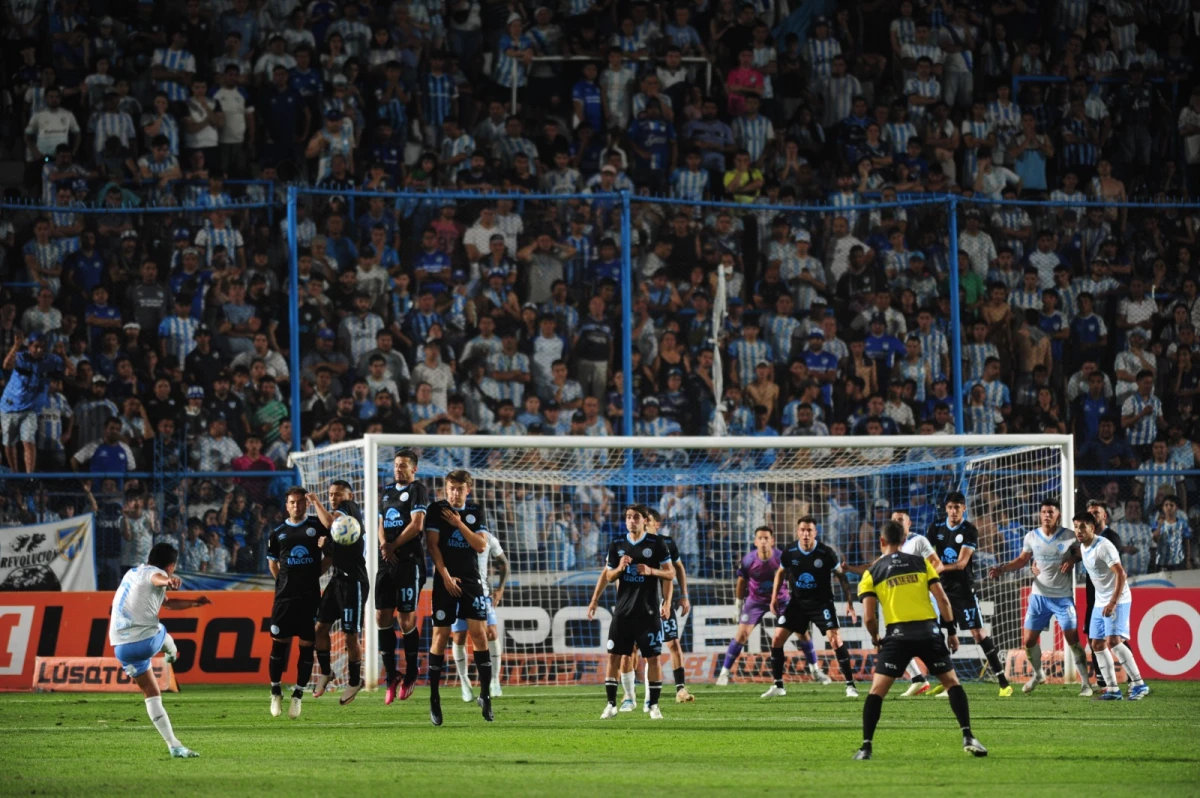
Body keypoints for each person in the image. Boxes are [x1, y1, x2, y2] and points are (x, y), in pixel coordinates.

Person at [854, 520, 987, 760]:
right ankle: (968, 735)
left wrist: (876, 638)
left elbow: (869, 617)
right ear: (904, 542)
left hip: (897, 635)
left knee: (877, 692)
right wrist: (951, 632)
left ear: (882, 541)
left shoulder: (872, 572)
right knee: (952, 683)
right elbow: (943, 600)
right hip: (929, 632)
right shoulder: (921, 563)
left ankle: (866, 747)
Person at [109, 543, 210, 758]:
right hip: (145, 641)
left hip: (121, 647)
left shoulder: (133, 572)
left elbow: (168, 604)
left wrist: (193, 603)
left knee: (152, 694)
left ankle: (174, 745)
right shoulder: (157, 574)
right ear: (171, 565)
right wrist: (169, 580)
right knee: (160, 629)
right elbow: (158, 578)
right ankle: (172, 653)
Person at [987, 498, 1092, 696]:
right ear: (1039, 514)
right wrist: (1002, 569)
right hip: (1038, 597)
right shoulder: (1031, 537)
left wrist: (1072, 559)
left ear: (1058, 515)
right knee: (1028, 641)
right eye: (1044, 512)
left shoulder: (1069, 536)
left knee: (1072, 640)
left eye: (1051, 512)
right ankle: (1038, 674)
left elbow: (1082, 553)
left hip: (1062, 597)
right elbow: (1021, 560)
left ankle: (1086, 684)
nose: (1046, 515)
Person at [587, 505, 675, 720]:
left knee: (653, 658)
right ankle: (611, 704)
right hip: (623, 612)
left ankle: (653, 706)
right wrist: (620, 568)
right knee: (615, 656)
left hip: (648, 611)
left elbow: (670, 573)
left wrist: (651, 572)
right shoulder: (617, 544)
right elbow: (608, 576)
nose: (631, 520)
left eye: (636, 517)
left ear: (645, 520)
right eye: (628, 517)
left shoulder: (657, 543)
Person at [423, 469, 494, 725]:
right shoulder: (436, 510)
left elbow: (480, 545)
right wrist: (445, 576)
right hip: (445, 581)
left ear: (468, 490)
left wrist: (459, 524)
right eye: (450, 488)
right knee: (441, 636)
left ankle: (485, 696)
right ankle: (434, 698)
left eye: (459, 489)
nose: (454, 493)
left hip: (471, 581)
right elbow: (432, 545)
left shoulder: (475, 511)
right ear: (445, 488)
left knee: (479, 635)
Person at [928, 491, 1012, 696]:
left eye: (957, 507)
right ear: (945, 508)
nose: (953, 511)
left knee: (977, 634)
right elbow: (929, 554)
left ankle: (1003, 683)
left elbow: (962, 563)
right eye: (950, 507)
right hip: (940, 589)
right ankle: (947, 681)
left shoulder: (969, 530)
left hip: (962, 590)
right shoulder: (936, 527)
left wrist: (938, 568)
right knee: (937, 634)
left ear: (964, 508)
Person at [765, 516, 858, 698]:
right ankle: (778, 685)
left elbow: (841, 576)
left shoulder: (826, 553)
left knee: (835, 640)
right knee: (777, 639)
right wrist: (774, 597)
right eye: (802, 530)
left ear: (815, 532)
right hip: (797, 604)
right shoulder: (790, 551)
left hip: (822, 603)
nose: (806, 533)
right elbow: (781, 572)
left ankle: (850, 685)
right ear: (798, 531)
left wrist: (850, 603)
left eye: (809, 530)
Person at [1071, 511, 1149, 701]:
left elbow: (1121, 574)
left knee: (1114, 641)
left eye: (1083, 527)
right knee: (1097, 643)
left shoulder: (1104, 547)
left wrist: (1113, 602)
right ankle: (1113, 689)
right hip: (1100, 601)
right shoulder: (1082, 547)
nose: (1078, 531)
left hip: (1118, 598)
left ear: (1093, 527)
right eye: (1076, 527)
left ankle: (1139, 684)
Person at [266, 487, 328, 719]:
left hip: (309, 598)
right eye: (292, 502)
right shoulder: (278, 533)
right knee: (278, 646)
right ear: (287, 505)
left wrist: (314, 576)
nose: (296, 506)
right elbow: (273, 564)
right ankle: (275, 691)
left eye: (301, 502)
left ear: (306, 504)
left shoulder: (317, 527)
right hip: (284, 599)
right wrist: (284, 583)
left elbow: (329, 557)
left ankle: (298, 696)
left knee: (306, 647)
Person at [307, 480, 368, 705]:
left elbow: (332, 522)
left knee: (351, 636)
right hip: (337, 581)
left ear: (350, 496)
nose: (333, 498)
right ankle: (326, 671)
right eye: (331, 494)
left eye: (338, 494)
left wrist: (314, 501)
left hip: (354, 582)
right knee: (320, 628)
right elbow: (331, 556)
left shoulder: (349, 510)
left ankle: (354, 680)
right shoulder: (337, 527)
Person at [376, 449, 429, 703]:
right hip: (387, 561)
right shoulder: (386, 491)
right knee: (381, 617)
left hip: (409, 562)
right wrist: (384, 545)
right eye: (397, 465)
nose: (399, 468)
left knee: (406, 620)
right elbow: (380, 522)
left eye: (404, 465)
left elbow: (417, 524)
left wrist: (392, 545)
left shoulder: (418, 489)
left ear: (414, 469)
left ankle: (411, 672)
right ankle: (391, 676)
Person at [716, 526, 789, 686]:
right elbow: (741, 582)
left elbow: (792, 576)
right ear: (755, 542)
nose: (763, 541)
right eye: (760, 538)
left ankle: (815, 670)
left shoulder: (782, 557)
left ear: (772, 541)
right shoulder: (748, 560)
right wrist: (738, 606)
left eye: (766, 538)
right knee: (741, 635)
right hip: (756, 601)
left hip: (781, 599)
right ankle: (724, 673)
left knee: (801, 632)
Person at [451, 508, 509, 702]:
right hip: (458, 593)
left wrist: (500, 589)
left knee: (491, 633)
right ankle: (464, 682)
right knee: (459, 637)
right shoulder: (454, 538)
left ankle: (494, 680)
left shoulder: (488, 539)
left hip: (482, 594)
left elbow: (504, 563)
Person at [640, 506, 694, 706]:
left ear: (657, 524)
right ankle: (630, 694)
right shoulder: (634, 544)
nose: (644, 523)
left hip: (664, 602)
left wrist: (684, 595)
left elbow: (678, 569)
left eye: (648, 520)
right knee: (636, 647)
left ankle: (680, 688)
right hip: (641, 604)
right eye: (642, 520)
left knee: (673, 643)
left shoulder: (667, 544)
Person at [890, 508, 944, 697]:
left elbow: (937, 563)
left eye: (900, 519)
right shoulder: (892, 546)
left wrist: (923, 583)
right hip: (903, 601)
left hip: (924, 599)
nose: (896, 523)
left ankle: (949, 683)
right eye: (894, 520)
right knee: (896, 639)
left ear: (909, 523)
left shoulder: (918, 541)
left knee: (930, 642)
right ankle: (918, 679)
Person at [1, 330, 72, 473]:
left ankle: (29, 476)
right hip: (10, 405)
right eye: (36, 346)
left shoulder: (50, 360)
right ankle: (15, 473)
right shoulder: (21, 357)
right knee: (9, 442)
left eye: (42, 347)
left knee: (28, 441)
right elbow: (6, 365)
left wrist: (63, 355)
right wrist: (16, 346)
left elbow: (71, 372)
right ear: (30, 346)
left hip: (31, 408)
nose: (39, 350)